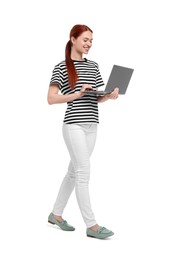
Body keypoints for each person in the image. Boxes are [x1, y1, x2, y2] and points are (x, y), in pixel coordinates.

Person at [47, 24, 119, 239]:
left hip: (92, 124)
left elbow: (97, 97)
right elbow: (51, 98)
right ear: (73, 39)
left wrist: (109, 95)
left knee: (73, 172)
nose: (89, 44)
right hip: (74, 125)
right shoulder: (61, 67)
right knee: (83, 172)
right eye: (85, 40)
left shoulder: (94, 66)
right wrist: (76, 94)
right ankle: (92, 225)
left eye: (91, 41)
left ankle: (55, 215)